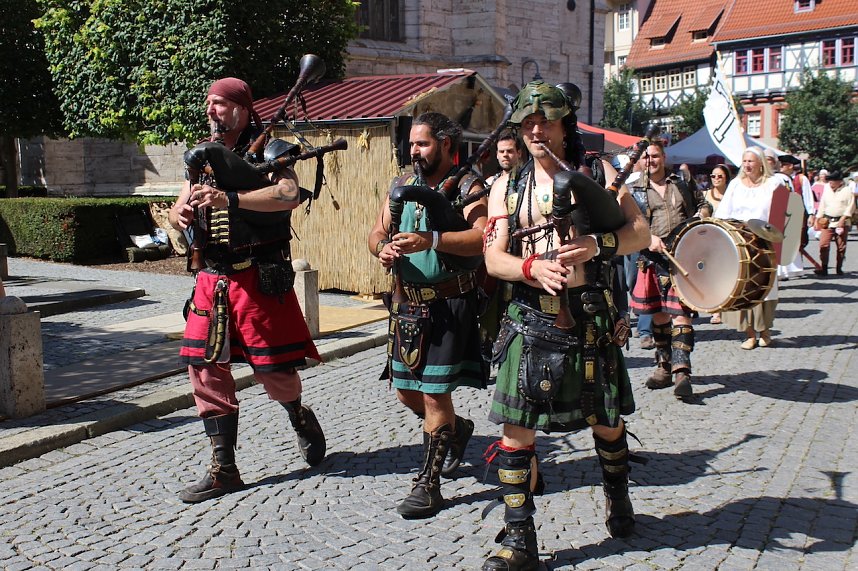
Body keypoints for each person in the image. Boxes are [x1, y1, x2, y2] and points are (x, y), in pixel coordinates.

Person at [480, 80, 650, 570]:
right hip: (530, 318)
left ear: (564, 124)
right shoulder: (505, 185)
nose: (536, 130)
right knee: (517, 435)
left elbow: (639, 232)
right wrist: (531, 268)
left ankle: (617, 497)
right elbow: (494, 258)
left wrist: (600, 246)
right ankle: (519, 539)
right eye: (528, 122)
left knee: (607, 423)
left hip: (590, 318)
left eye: (546, 121)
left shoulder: (598, 171)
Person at [168, 77, 326, 503]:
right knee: (204, 367)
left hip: (257, 277)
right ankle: (224, 469)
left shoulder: (268, 147)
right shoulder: (200, 156)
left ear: (241, 107)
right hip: (211, 279)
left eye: (219, 103)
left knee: (273, 371)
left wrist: (230, 200)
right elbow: (177, 212)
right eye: (208, 103)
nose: (212, 111)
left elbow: (289, 194)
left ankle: (298, 414)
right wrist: (179, 215)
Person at [367, 112, 488, 519]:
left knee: (436, 394)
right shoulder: (401, 185)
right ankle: (457, 429)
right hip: (406, 305)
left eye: (423, 144)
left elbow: (479, 239)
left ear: (446, 144)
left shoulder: (469, 186)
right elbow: (375, 231)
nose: (414, 151)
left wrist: (430, 239)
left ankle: (428, 484)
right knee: (405, 391)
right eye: (412, 144)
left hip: (449, 304)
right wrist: (381, 247)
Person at [629, 140, 706, 399]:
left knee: (682, 314)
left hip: (682, 257)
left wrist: (702, 215)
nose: (650, 160)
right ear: (641, 161)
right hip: (650, 259)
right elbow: (625, 225)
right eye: (646, 157)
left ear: (663, 157)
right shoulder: (632, 191)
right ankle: (663, 366)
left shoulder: (681, 182)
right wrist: (646, 238)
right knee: (659, 316)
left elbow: (703, 204)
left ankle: (682, 370)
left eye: (655, 156)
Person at [713, 147, 781, 349]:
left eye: (751, 161)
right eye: (744, 162)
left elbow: (782, 215)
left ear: (761, 163)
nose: (747, 165)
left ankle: (765, 331)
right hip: (740, 243)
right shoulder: (735, 185)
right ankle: (749, 334)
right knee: (743, 287)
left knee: (765, 289)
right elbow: (723, 213)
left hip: (765, 244)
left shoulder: (773, 184)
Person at [778, 154, 815, 279]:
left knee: (797, 240)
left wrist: (811, 214)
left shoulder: (800, 179)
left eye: (783, 165)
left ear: (790, 166)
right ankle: (784, 270)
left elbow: (808, 196)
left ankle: (795, 267)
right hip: (783, 214)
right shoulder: (778, 178)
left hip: (798, 213)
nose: (781, 167)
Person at [703, 164, 732, 324]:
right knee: (712, 276)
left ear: (726, 177)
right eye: (713, 176)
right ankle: (716, 310)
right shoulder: (705, 195)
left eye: (719, 176)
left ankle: (727, 305)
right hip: (710, 240)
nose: (716, 179)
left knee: (727, 275)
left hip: (729, 239)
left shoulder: (733, 194)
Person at [814, 170, 854, 276]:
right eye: (829, 181)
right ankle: (824, 267)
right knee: (823, 244)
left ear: (840, 182)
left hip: (841, 222)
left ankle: (839, 267)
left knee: (841, 246)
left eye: (832, 181)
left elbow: (851, 206)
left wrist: (843, 219)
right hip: (827, 221)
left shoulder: (847, 191)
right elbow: (822, 205)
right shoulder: (827, 190)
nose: (830, 183)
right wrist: (817, 219)